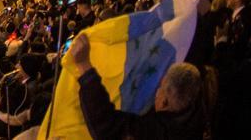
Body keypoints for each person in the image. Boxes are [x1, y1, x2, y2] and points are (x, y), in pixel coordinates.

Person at [68, 33, 204, 140]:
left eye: (160, 89)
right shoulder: (197, 118)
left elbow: (107, 125)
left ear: (164, 102)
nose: (156, 91)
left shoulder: (155, 132)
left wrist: (84, 65)